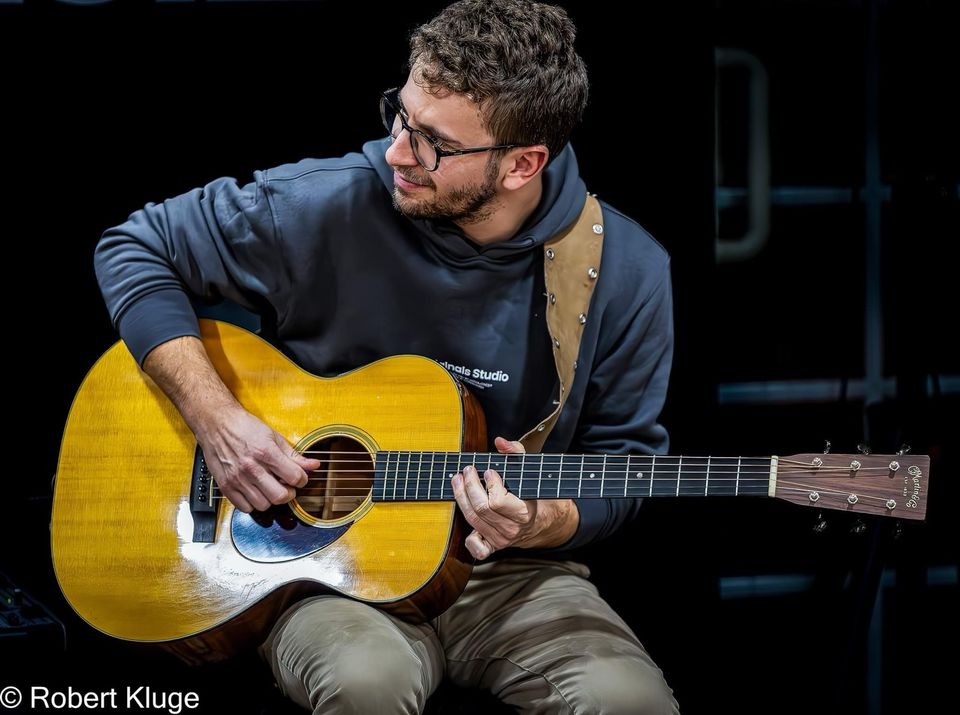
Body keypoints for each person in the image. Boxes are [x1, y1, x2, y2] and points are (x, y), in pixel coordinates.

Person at [94, 1, 678, 712]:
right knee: (366, 681)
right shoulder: (328, 202)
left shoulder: (626, 269)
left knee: (629, 699)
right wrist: (217, 422)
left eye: (434, 142)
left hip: (507, 573)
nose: (398, 152)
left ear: (523, 163)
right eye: (399, 117)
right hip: (318, 564)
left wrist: (542, 518)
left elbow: (622, 463)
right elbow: (134, 248)